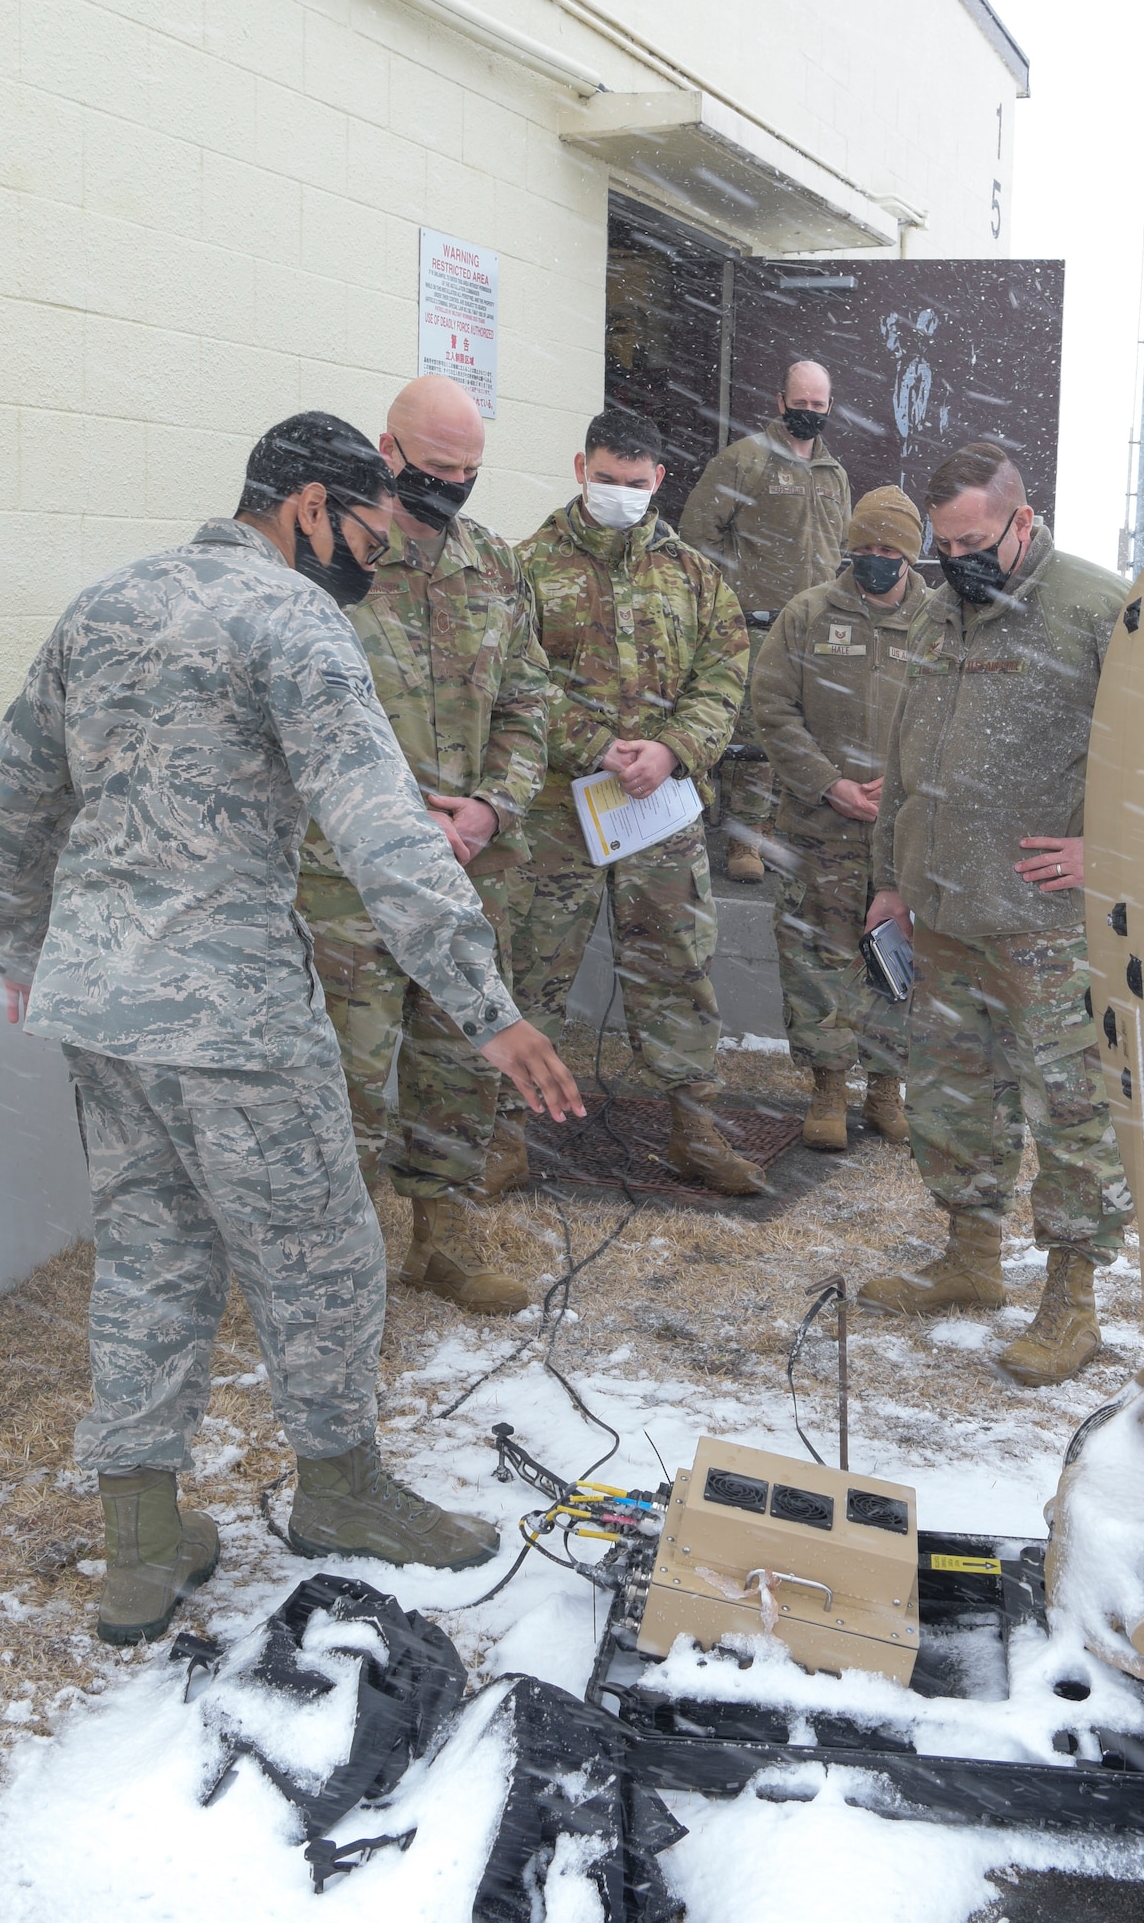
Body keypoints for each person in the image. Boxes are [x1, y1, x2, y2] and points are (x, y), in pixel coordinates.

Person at [0, 412, 583, 1648]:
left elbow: (7, 795)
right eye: (368, 527)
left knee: (147, 1253)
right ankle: (340, 1489)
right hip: (233, 1008)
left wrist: (26, 950)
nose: (380, 552)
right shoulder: (295, 621)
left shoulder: (109, 599)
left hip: (107, 1007)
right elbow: (384, 829)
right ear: (307, 507)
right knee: (323, 1257)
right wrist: (487, 1007)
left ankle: (143, 1539)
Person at [857, 442, 1134, 1387]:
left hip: (1044, 928)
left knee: (1071, 1111)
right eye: (943, 546)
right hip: (940, 911)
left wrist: (1115, 852)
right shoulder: (943, 613)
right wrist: (892, 876)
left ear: (1023, 522)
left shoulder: (1100, 611)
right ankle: (971, 1259)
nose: (955, 561)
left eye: (973, 541)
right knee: (954, 1095)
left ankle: (1073, 1297)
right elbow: (909, 754)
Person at [296, 376, 551, 1317]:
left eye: (469, 471)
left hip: (470, 874)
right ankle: (343, 1270)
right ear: (386, 450)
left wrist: (490, 808)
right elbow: (304, 722)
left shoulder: (496, 566)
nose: (452, 485)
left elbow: (532, 700)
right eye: (436, 467)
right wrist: (406, 821)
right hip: (348, 881)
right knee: (349, 1077)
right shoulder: (327, 564)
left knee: (458, 1062)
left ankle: (442, 1239)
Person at [495, 408, 763, 1197]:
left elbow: (724, 672)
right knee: (529, 971)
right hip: (556, 815)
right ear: (581, 469)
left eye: (636, 485)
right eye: (606, 481)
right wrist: (591, 742)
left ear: (660, 482)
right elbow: (516, 679)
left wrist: (675, 746)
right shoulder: (526, 567)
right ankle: (501, 1137)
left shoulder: (695, 575)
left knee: (678, 968)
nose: (620, 495)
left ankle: (694, 1130)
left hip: (660, 813)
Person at [752, 485, 927, 1151]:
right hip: (819, 829)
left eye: (890, 550)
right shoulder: (807, 615)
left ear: (911, 556)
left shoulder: (938, 625)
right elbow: (772, 709)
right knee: (815, 959)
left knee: (898, 962)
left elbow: (954, 724)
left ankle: (887, 1089)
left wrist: (905, 790)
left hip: (902, 839)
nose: (876, 560)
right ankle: (827, 1089)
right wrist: (829, 785)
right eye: (866, 548)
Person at [680, 360, 852, 882]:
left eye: (817, 406)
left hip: (816, 630)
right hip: (756, 625)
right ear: (780, 402)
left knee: (808, 733)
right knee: (757, 734)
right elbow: (696, 533)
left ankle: (784, 830)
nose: (808, 414)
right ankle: (746, 840)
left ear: (828, 408)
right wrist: (725, 602)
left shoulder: (835, 475)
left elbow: (838, 548)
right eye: (799, 404)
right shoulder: (745, 460)